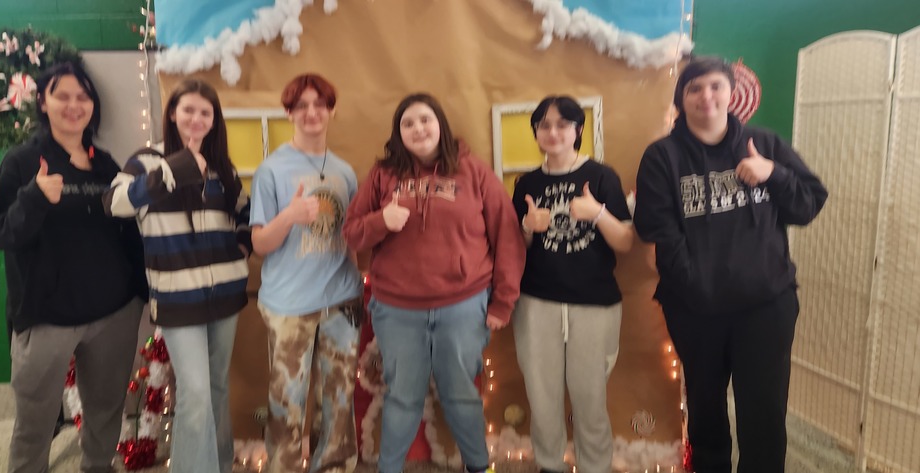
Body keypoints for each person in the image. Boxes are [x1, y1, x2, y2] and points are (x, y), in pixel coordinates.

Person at [634, 56, 828, 473]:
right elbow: (656, 228)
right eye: (694, 88)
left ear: (731, 92)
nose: (706, 96)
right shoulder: (662, 156)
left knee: (764, 417)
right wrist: (695, 284)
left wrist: (773, 173)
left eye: (715, 86)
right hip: (695, 311)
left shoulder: (764, 144)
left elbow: (809, 204)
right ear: (681, 99)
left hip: (766, 307)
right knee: (706, 416)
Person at [344, 93, 525, 473]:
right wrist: (380, 221)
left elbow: (507, 235)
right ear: (399, 133)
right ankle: (389, 468)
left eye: (425, 119)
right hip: (397, 310)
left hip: (463, 306)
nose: (418, 128)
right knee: (402, 396)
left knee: (461, 395)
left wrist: (503, 301)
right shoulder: (382, 175)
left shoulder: (473, 171)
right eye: (407, 123)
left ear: (440, 123)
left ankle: (479, 467)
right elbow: (352, 233)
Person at [0, 61, 147, 473]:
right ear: (43, 102)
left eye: (82, 97)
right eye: (63, 96)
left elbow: (126, 232)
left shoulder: (105, 164)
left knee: (106, 408)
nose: (74, 105)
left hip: (113, 313)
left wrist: (141, 291)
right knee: (35, 419)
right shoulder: (22, 162)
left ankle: (97, 466)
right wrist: (34, 197)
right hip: (46, 318)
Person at [104, 78, 252, 473]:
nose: (196, 119)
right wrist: (172, 170)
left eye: (206, 112)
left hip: (225, 295)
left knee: (217, 388)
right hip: (176, 299)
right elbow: (114, 202)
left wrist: (242, 245)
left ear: (214, 120)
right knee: (196, 394)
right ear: (172, 113)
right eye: (188, 110)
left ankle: (220, 463)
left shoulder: (222, 167)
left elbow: (244, 210)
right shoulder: (146, 161)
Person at [510, 95, 634, 473]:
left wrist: (597, 214)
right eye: (544, 125)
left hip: (594, 303)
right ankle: (550, 465)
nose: (553, 132)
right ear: (535, 132)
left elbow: (625, 242)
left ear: (577, 130)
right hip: (536, 302)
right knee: (541, 396)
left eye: (562, 124)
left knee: (590, 397)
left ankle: (595, 466)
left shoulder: (602, 176)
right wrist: (527, 226)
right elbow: (515, 249)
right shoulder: (527, 183)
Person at [249, 73, 362, 473]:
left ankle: (333, 465)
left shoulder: (345, 172)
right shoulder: (271, 170)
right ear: (289, 112)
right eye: (302, 105)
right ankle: (283, 467)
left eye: (320, 104)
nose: (311, 112)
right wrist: (289, 216)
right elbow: (260, 244)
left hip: (342, 302)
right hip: (289, 306)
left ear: (332, 110)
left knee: (339, 398)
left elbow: (351, 238)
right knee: (287, 401)